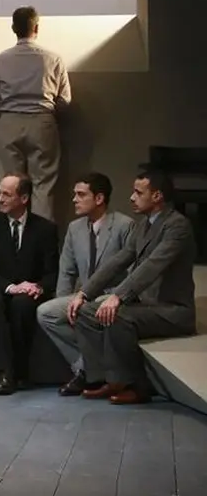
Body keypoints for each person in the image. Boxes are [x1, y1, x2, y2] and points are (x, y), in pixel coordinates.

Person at [67, 170, 197, 404]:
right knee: (86, 312)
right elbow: (118, 261)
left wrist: (118, 296)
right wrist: (84, 292)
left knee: (118, 316)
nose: (131, 197)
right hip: (145, 305)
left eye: (138, 192)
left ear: (157, 196)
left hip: (172, 309)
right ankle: (102, 378)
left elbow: (152, 265)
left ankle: (136, 386)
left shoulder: (177, 226)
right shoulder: (142, 225)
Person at [36, 172, 133, 395]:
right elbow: (66, 271)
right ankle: (86, 367)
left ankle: (90, 374)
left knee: (86, 311)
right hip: (84, 295)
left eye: (81, 195)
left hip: (111, 295)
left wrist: (118, 297)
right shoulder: (75, 228)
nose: (74, 200)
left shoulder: (124, 225)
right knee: (46, 313)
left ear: (99, 198)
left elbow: (132, 271)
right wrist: (64, 302)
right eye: (75, 194)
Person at [0, 5, 71, 220]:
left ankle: (12, 237)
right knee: (43, 186)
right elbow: (65, 100)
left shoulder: (0, 59)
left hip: (9, 122)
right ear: (36, 27)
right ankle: (41, 239)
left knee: (9, 186)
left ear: (13, 28)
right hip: (43, 123)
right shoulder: (53, 58)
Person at [0, 173, 58, 394]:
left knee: (22, 304)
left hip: (29, 292)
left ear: (24, 198)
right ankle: (2, 373)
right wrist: (10, 287)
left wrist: (38, 287)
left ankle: (20, 371)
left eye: (6, 194)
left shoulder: (45, 229)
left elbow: (52, 272)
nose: (0, 199)